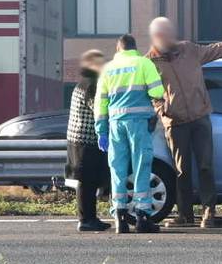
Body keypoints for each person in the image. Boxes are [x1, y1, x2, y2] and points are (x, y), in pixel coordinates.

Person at [146, 17, 222, 228]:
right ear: (155, 37)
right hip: (175, 122)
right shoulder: (150, 62)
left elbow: (218, 49)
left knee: (205, 166)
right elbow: (150, 92)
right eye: (162, 34)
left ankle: (209, 211)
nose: (167, 37)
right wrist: (162, 111)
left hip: (200, 117)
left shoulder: (189, 50)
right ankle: (184, 215)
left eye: (169, 32)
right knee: (182, 171)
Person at [95, 34, 166, 234]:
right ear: (134, 47)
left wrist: (101, 130)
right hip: (138, 124)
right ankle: (143, 216)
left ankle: (120, 217)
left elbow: (101, 103)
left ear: (118, 49)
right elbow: (157, 92)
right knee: (141, 166)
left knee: (117, 169)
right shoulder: (144, 64)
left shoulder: (108, 69)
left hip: (115, 125)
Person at [65, 49, 110, 232]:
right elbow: (98, 109)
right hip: (87, 140)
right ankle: (86, 220)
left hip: (77, 139)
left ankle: (89, 218)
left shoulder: (82, 83)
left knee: (87, 181)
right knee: (87, 181)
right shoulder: (92, 84)